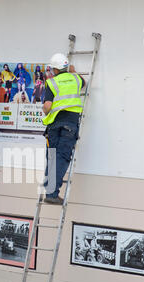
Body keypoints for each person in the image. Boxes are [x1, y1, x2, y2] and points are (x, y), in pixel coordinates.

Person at [42, 53, 86, 205]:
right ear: (66, 67)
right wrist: (74, 72)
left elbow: (47, 106)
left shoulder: (51, 82)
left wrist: (45, 110)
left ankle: (50, 192)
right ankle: (52, 194)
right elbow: (84, 83)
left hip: (54, 125)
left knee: (52, 156)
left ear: (54, 69)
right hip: (70, 125)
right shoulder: (76, 78)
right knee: (62, 157)